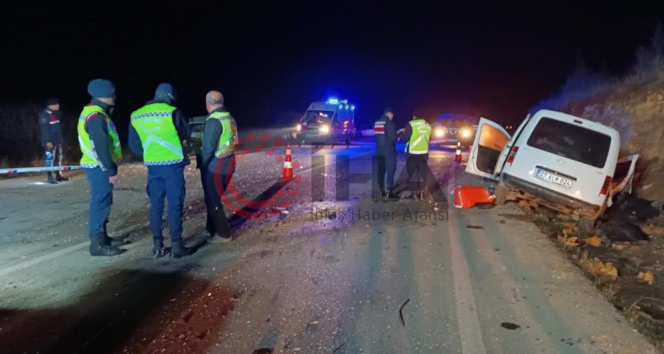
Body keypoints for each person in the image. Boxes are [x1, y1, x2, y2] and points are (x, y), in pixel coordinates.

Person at [129, 83, 192, 258]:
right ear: (171, 97)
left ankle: (158, 246)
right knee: (174, 205)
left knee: (156, 206)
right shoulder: (173, 112)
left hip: (153, 167)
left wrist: (151, 153)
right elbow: (186, 133)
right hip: (173, 167)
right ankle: (177, 247)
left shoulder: (136, 115)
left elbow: (134, 145)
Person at [77, 79, 124, 256]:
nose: (115, 97)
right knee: (100, 202)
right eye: (112, 95)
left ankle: (103, 237)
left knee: (104, 200)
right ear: (105, 96)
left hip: (97, 165)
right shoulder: (96, 116)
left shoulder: (93, 111)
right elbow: (101, 146)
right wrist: (110, 170)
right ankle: (97, 243)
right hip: (98, 166)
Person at [199, 90, 238, 243]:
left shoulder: (213, 121)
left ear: (207, 104)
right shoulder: (230, 118)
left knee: (212, 200)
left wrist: (203, 164)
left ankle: (224, 233)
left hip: (216, 167)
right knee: (214, 197)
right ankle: (211, 228)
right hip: (229, 163)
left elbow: (208, 148)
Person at [402, 110, 432, 200]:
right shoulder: (428, 125)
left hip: (412, 153)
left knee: (412, 174)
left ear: (414, 116)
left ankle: (414, 195)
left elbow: (405, 138)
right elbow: (430, 138)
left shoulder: (411, 124)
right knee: (422, 174)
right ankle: (422, 194)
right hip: (423, 153)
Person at [38, 98, 69, 184]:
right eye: (56, 104)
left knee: (58, 158)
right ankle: (50, 177)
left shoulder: (55, 114)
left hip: (57, 141)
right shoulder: (45, 115)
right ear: (50, 106)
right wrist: (47, 141)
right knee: (50, 159)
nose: (58, 106)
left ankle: (58, 175)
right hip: (49, 142)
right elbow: (44, 129)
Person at [373, 107, 398, 200]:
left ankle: (381, 191)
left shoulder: (377, 123)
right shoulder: (389, 123)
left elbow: (378, 136)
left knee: (381, 171)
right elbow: (393, 137)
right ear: (390, 114)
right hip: (388, 151)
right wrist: (397, 135)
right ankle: (389, 191)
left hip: (379, 150)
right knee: (390, 170)